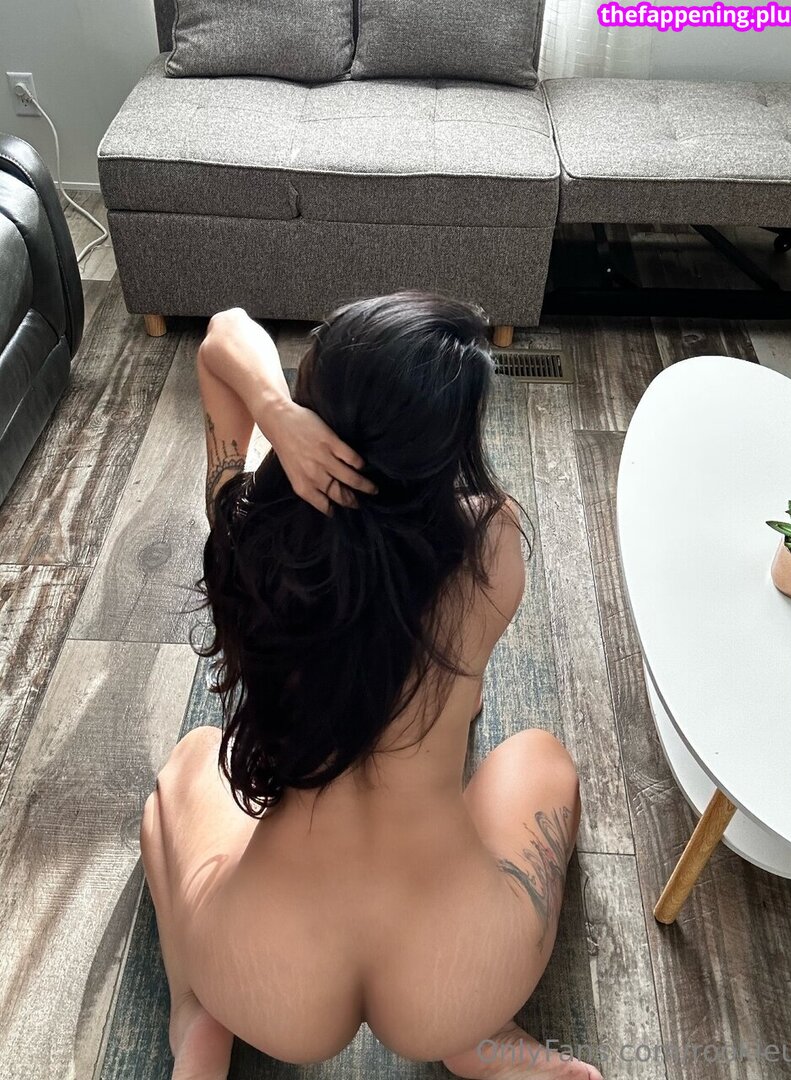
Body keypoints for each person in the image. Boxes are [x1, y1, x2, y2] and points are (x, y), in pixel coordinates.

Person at [139, 293, 601, 1080]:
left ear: (317, 408)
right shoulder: (492, 543)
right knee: (540, 756)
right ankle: (483, 1040)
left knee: (188, 764)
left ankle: (197, 1018)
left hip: (266, 974)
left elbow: (222, 336)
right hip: (456, 970)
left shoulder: (251, 534)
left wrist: (275, 414)